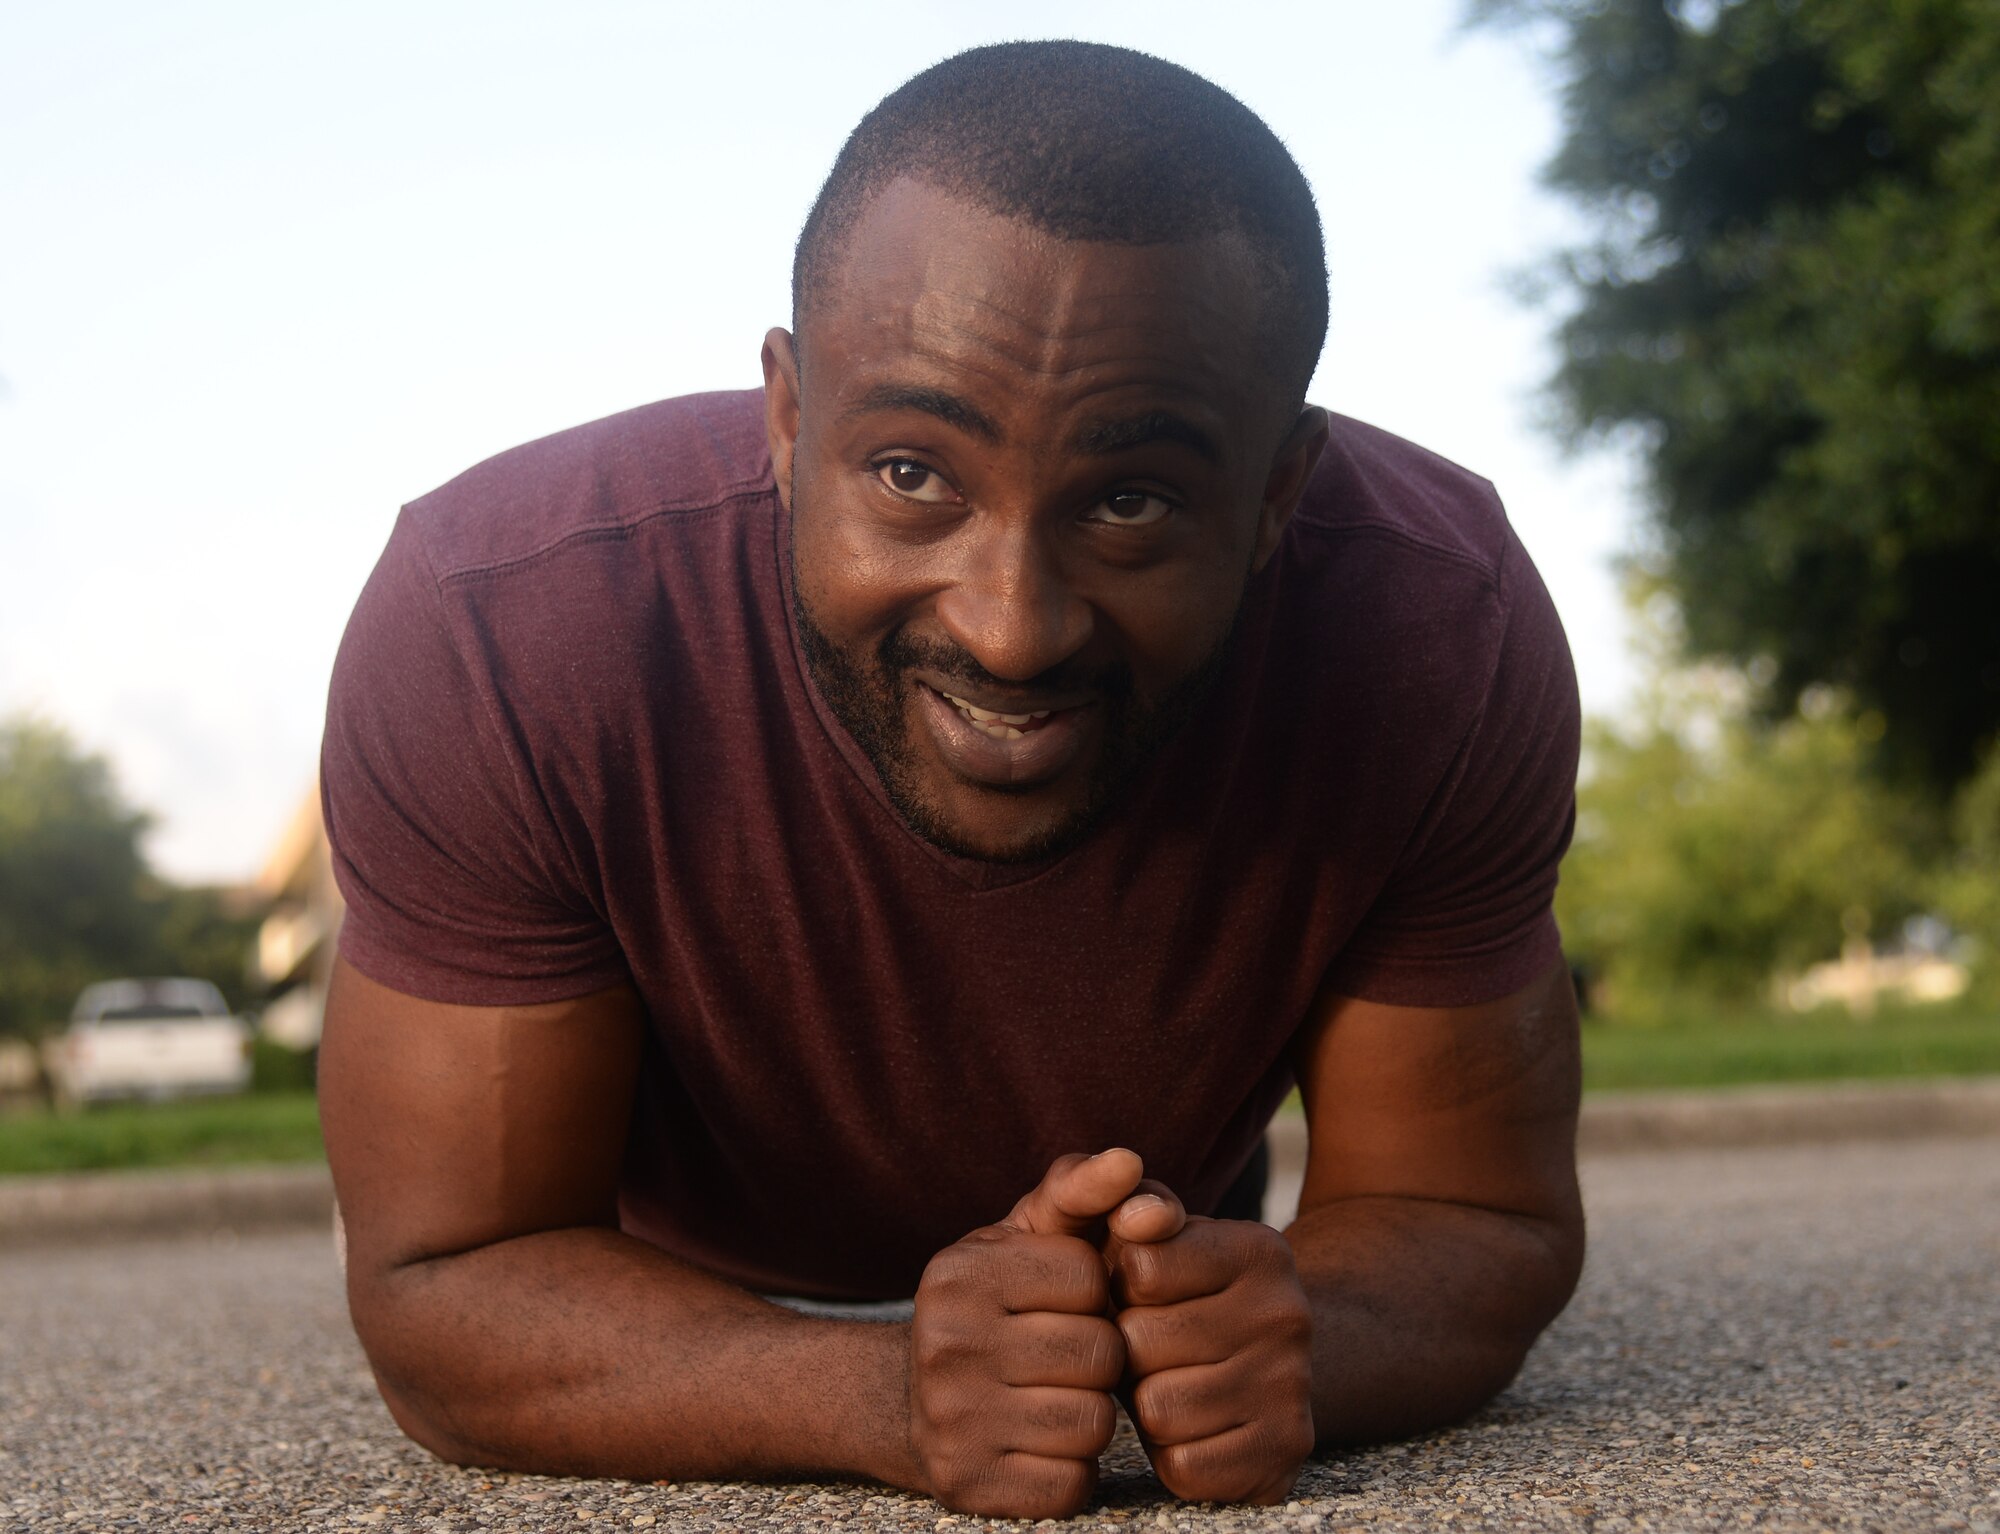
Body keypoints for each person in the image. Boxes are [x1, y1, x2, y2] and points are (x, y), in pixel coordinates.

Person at [317, 40, 1585, 1521]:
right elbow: (447, 1281)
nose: (1012, 624)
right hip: (676, 1284)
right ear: (787, 420)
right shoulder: (504, 623)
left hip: (1148, 1275)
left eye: (1131, 500)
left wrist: (1295, 1335)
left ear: (1277, 498)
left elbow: (1473, 1215)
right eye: (914, 472)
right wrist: (877, 1392)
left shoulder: (1440, 627)